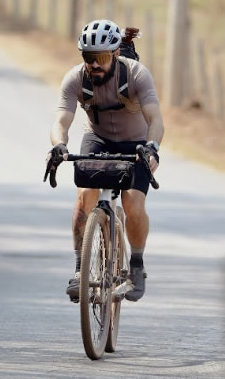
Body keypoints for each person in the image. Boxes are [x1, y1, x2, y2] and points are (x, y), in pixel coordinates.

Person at [48, 19, 164, 302]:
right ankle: (79, 269)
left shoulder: (137, 74)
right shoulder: (75, 78)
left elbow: (155, 119)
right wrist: (59, 145)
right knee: (83, 199)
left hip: (136, 142)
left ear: (114, 54)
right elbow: (61, 121)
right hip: (97, 139)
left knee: (133, 202)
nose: (94, 64)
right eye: (89, 58)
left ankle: (136, 265)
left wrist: (152, 147)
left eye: (100, 58)